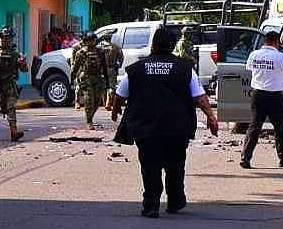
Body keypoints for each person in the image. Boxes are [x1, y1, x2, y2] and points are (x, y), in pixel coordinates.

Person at [112, 28, 219, 218]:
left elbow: (120, 94)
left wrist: (115, 112)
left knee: (150, 166)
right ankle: (175, 200)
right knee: (175, 165)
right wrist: (211, 117)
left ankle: (151, 204)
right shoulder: (185, 68)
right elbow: (199, 97)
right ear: (172, 45)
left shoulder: (137, 68)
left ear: (153, 44)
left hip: (145, 126)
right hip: (177, 127)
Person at [240, 30, 283, 169]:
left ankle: (245, 158)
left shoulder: (254, 55)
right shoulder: (280, 57)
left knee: (254, 127)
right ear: (277, 42)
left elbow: (249, 68)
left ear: (265, 41)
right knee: (280, 129)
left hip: (257, 95)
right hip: (274, 96)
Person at [0, 26, 27, 141]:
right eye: (4, 37)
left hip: (9, 84)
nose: (6, 40)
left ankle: (14, 132)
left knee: (11, 107)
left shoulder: (15, 53)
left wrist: (22, 63)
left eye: (9, 38)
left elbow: (25, 69)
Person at [71, 31, 109, 129]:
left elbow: (104, 67)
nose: (92, 42)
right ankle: (89, 121)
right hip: (86, 77)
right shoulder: (81, 53)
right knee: (89, 99)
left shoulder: (100, 52)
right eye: (90, 40)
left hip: (97, 78)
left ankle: (90, 117)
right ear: (86, 41)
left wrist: (107, 81)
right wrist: (72, 80)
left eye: (94, 40)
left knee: (97, 101)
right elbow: (75, 68)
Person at [98, 33, 123, 111]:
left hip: (101, 69)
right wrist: (119, 65)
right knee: (112, 87)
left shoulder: (99, 47)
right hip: (111, 69)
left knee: (103, 87)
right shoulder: (115, 47)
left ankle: (105, 102)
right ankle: (108, 103)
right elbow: (121, 58)